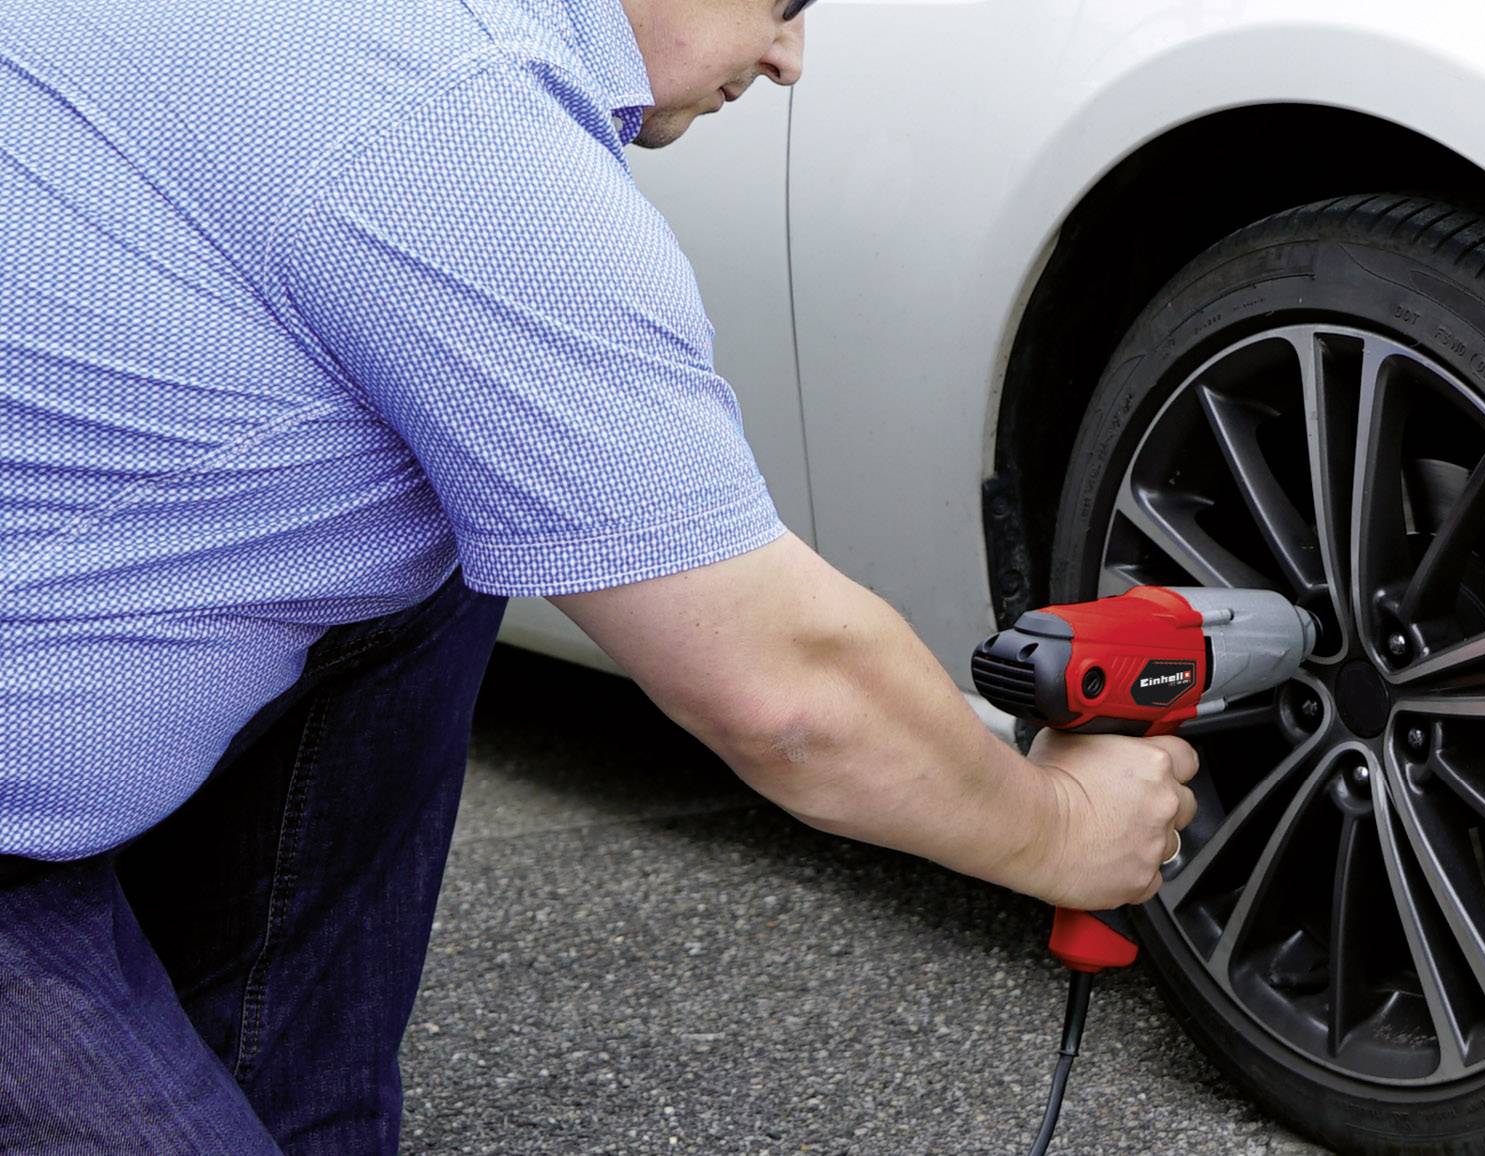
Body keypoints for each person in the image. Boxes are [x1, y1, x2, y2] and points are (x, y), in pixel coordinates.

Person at [0, 0, 1199, 1150]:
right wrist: (1058, 829)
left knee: (473, 520)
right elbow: (786, 697)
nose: (790, 58)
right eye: (784, 0)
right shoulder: (446, 122)